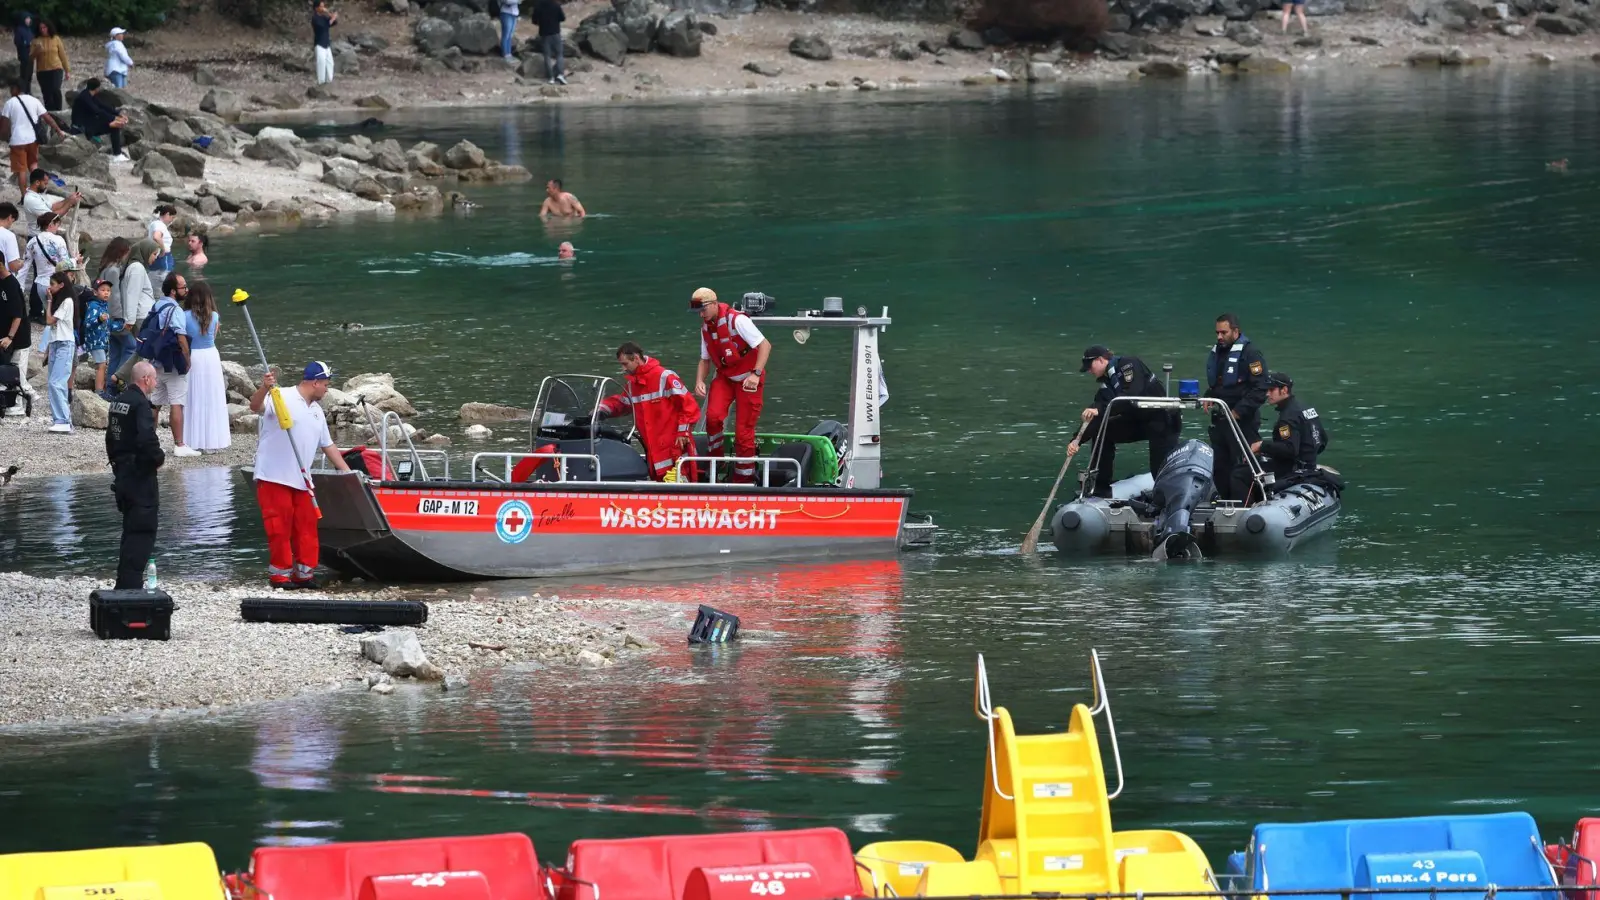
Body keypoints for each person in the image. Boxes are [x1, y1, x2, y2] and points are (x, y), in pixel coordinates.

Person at [250, 361, 351, 589]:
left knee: (306, 527)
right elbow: (254, 406)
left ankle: (304, 573)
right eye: (325, 384)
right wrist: (265, 388)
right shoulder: (280, 396)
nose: (327, 389)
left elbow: (328, 446)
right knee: (279, 527)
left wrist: (348, 472)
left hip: (302, 481)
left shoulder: (316, 411)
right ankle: (280, 576)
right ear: (315, 382)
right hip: (274, 476)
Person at [1071, 345, 1181, 497]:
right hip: (1138, 421)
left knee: (1158, 466)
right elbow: (1096, 415)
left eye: (1090, 366)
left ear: (1101, 359)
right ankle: (1101, 487)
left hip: (1161, 419)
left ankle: (1168, 496)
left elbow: (1131, 395)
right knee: (1102, 431)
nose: (1089, 371)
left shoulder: (1128, 364)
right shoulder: (1106, 384)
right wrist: (1076, 440)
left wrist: (1100, 410)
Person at [692, 286, 771, 484]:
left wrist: (756, 374)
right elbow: (704, 360)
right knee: (713, 417)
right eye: (698, 312)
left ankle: (744, 479)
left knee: (743, 431)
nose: (701, 315)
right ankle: (717, 460)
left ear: (714, 304)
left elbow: (765, 345)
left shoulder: (737, 320)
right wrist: (699, 380)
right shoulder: (705, 329)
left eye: (703, 310)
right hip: (726, 377)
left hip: (749, 379)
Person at [593, 341, 700, 482]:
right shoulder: (633, 384)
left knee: (679, 483)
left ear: (636, 358)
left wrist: (683, 432)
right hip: (654, 448)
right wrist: (601, 408)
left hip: (674, 446)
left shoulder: (664, 377)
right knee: (659, 482)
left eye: (625, 364)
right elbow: (623, 403)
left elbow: (689, 406)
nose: (623, 369)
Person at [106, 360, 164, 589]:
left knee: (130, 531)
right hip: (140, 476)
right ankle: (131, 587)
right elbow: (146, 438)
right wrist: (158, 458)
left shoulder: (118, 401)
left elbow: (110, 437)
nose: (156, 382)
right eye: (155, 379)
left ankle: (124, 583)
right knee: (142, 530)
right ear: (146, 379)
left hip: (122, 474)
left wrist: (117, 466)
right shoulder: (140, 404)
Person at [1204, 313, 1268, 502]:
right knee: (1220, 467)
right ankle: (1226, 502)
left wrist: (1238, 411)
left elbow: (1260, 388)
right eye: (1217, 333)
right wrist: (1209, 396)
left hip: (1243, 421)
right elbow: (1219, 385)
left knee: (1242, 468)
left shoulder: (1251, 354)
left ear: (1236, 331)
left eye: (1223, 332)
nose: (1219, 337)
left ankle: (1248, 505)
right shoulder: (1220, 353)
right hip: (1221, 420)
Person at [149, 272, 196, 457]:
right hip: (173, 364)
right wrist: (187, 358)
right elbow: (181, 337)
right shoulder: (175, 310)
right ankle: (179, 445)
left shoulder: (158, 305)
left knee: (155, 403)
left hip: (156, 362)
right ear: (174, 291)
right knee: (177, 403)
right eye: (183, 286)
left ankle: (149, 441)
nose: (186, 289)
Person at [1250, 372, 1328, 485]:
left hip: (1293, 470)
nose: (1267, 394)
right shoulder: (1306, 408)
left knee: (1241, 473)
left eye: (1271, 390)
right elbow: (1323, 440)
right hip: (1309, 465)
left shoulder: (1287, 418)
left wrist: (1262, 446)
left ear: (1284, 390)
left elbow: (1290, 449)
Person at [181, 280, 229, 452]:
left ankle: (193, 439)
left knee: (194, 397)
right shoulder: (214, 316)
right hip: (211, 356)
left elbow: (183, 339)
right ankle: (213, 441)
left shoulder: (184, 315)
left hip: (194, 356)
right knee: (212, 397)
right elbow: (213, 337)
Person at [4, 84, 66, 194]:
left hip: (17, 141)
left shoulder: (10, 103)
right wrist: (58, 130)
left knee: (21, 170)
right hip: (32, 140)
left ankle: (25, 197)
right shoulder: (34, 100)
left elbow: (4, 125)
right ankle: (39, 192)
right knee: (33, 165)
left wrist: (7, 138)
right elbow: (47, 118)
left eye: (11, 89)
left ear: (15, 89)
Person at [0, 202, 31, 411]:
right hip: (11, 329)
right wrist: (22, 262)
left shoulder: (8, 285)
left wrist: (10, 336)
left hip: (16, 332)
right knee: (15, 365)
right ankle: (13, 400)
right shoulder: (8, 236)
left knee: (17, 362)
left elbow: (18, 313)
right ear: (10, 217)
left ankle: (19, 401)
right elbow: (13, 264)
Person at [21, 210, 76, 324]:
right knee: (59, 319)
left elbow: (24, 267)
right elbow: (65, 264)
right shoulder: (58, 240)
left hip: (40, 284)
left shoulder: (32, 242)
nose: (57, 228)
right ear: (51, 224)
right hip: (56, 284)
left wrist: (19, 287)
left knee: (49, 314)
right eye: (57, 225)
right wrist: (75, 260)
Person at [41, 270, 74, 433]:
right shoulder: (59, 301)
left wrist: (48, 301)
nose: (50, 287)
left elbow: (49, 321)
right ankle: (59, 418)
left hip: (65, 344)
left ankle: (63, 419)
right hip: (55, 344)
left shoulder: (67, 301)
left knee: (57, 381)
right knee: (53, 382)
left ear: (61, 285)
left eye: (52, 284)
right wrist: (47, 350)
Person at [97, 237, 132, 382]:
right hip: (114, 317)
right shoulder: (113, 270)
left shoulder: (106, 267)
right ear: (121, 252)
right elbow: (114, 295)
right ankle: (119, 381)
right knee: (131, 347)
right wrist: (121, 318)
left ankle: (111, 387)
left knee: (116, 352)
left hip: (106, 316)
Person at [70, 77, 129, 162]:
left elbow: (102, 106)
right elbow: (97, 111)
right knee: (114, 126)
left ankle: (117, 154)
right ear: (97, 88)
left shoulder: (90, 95)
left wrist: (118, 114)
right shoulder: (84, 97)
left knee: (114, 126)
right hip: (81, 127)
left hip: (89, 123)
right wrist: (114, 118)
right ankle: (117, 154)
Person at [22, 168, 80, 238]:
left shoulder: (38, 195)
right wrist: (69, 204)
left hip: (44, 236)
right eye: (45, 184)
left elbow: (52, 207)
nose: (46, 187)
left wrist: (69, 199)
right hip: (38, 237)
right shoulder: (31, 199)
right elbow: (51, 217)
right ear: (37, 182)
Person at [28, 19, 66, 112]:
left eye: (44, 27)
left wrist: (67, 70)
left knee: (56, 89)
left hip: (56, 68)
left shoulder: (56, 39)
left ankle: (59, 111)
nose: (43, 29)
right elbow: (30, 58)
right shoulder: (35, 41)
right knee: (46, 93)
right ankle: (50, 113)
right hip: (42, 71)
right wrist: (36, 51)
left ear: (49, 28)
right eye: (41, 28)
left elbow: (63, 55)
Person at [83, 277, 111, 396]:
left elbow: (106, 325)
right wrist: (99, 319)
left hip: (102, 340)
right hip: (95, 340)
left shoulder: (104, 305)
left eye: (108, 290)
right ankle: (99, 391)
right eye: (103, 290)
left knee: (103, 364)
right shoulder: (94, 306)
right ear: (95, 292)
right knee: (101, 364)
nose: (106, 292)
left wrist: (119, 325)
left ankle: (101, 388)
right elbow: (88, 323)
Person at [531, 0, 566, 84]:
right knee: (559, 54)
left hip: (544, 33)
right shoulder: (556, 5)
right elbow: (563, 18)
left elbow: (534, 21)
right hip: (556, 32)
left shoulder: (538, 5)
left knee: (547, 56)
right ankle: (560, 74)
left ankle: (551, 78)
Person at [312, 0, 338, 86]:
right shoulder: (315, 18)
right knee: (321, 63)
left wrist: (330, 15)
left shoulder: (324, 17)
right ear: (316, 8)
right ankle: (321, 82)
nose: (323, 8)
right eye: (321, 6)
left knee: (330, 63)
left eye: (323, 6)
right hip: (319, 44)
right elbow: (323, 27)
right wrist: (332, 19)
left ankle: (329, 80)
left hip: (326, 43)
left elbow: (334, 22)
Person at [147, 204, 176, 281]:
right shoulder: (159, 224)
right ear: (167, 214)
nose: (172, 221)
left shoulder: (155, 223)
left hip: (155, 257)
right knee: (165, 282)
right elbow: (156, 237)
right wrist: (163, 250)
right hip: (163, 258)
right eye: (172, 218)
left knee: (155, 281)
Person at [12, 12, 33, 97]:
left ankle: (28, 90)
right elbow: (17, 42)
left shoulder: (29, 30)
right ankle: (23, 90)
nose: (29, 20)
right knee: (24, 73)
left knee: (30, 74)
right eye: (27, 18)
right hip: (23, 55)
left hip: (31, 55)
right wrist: (26, 43)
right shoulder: (19, 30)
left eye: (29, 18)